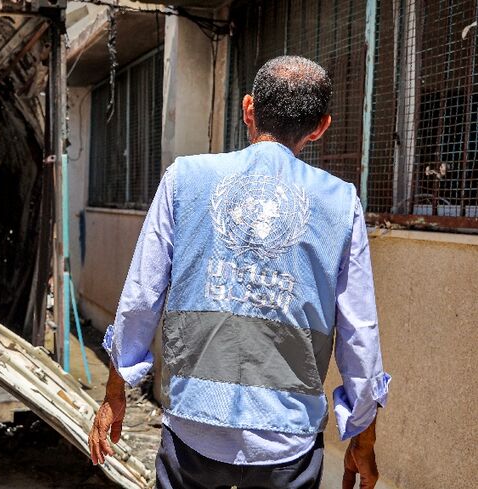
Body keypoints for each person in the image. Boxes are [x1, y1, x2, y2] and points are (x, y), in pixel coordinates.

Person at [87, 55, 390, 489]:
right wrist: (363, 435)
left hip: (194, 430)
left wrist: (115, 395)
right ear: (321, 127)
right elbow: (360, 332)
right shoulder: (341, 204)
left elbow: (141, 296)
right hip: (288, 441)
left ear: (249, 109)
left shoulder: (184, 179)